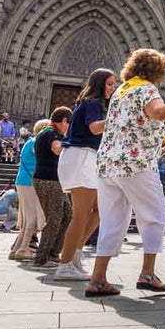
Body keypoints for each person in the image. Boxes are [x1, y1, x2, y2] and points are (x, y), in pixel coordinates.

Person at [88, 50, 165, 297]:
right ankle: (147, 273)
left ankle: (98, 278)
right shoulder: (146, 89)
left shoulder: (120, 91)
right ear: (156, 70)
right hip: (135, 163)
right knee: (156, 216)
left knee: (113, 221)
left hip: (108, 164)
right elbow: (157, 113)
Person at [54, 69, 115, 281]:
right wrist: (118, 119)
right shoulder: (92, 102)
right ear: (99, 85)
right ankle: (64, 265)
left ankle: (75, 255)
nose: (112, 88)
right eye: (109, 84)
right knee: (81, 214)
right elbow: (95, 128)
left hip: (85, 158)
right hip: (81, 157)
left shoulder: (91, 103)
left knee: (100, 209)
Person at [33, 108, 72, 268]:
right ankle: (42, 257)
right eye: (68, 124)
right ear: (63, 121)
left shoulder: (46, 133)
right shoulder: (52, 133)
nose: (68, 128)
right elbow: (56, 149)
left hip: (53, 180)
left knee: (67, 215)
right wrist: (71, 145)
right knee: (55, 218)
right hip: (48, 179)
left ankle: (54, 252)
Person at [11, 119, 48, 261]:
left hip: (23, 180)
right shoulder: (36, 143)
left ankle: (17, 248)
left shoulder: (30, 141)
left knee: (27, 216)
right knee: (33, 215)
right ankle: (23, 248)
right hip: (30, 181)